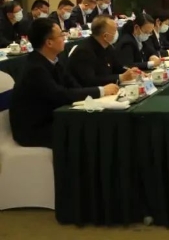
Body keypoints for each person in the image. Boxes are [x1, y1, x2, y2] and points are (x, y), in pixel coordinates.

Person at [8, 19, 118, 148]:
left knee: (97, 123)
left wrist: (94, 96)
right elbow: (61, 95)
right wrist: (101, 91)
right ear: (49, 42)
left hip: (53, 118)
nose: (64, 37)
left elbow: (73, 85)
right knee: (90, 131)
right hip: (35, 129)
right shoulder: (35, 68)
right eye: (60, 35)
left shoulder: (54, 61)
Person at [67, 16, 140, 88]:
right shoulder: (84, 51)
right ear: (105, 36)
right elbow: (91, 81)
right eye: (115, 31)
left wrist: (131, 72)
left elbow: (117, 68)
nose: (117, 34)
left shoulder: (108, 47)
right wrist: (120, 77)